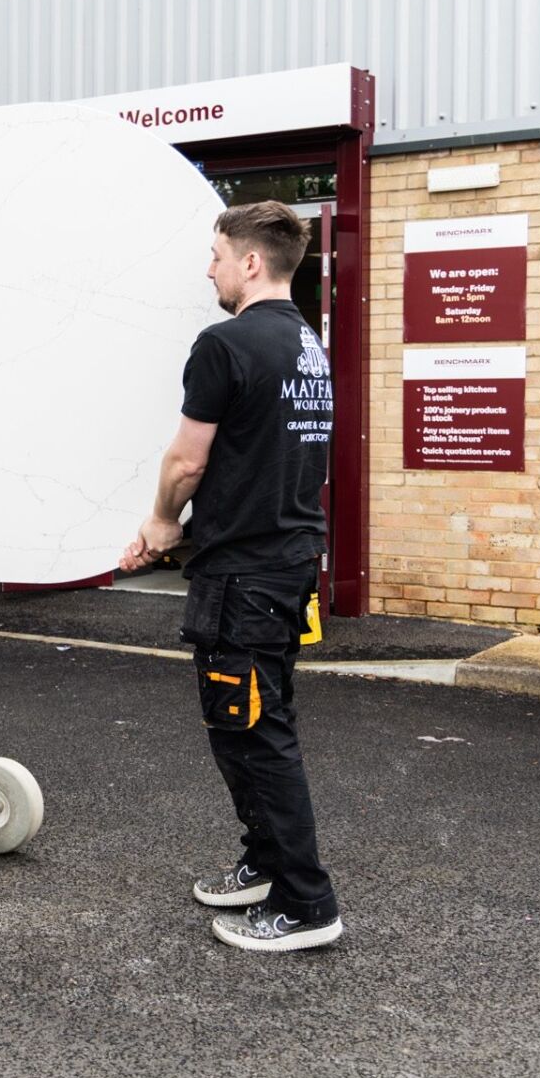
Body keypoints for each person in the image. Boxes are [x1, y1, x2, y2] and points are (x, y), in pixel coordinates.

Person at [120, 199, 343, 952]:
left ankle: (308, 904)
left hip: (246, 577)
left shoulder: (225, 344)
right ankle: (263, 861)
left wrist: (159, 521)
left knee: (258, 733)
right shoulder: (308, 347)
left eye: (216, 254)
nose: (209, 268)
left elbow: (187, 460)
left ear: (251, 262)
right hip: (282, 566)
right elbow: (261, 458)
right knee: (242, 724)